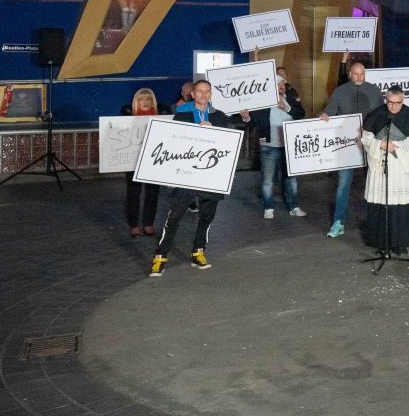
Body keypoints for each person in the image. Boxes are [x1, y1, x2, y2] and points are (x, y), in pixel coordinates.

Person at [149, 80, 240, 277]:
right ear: (193, 93)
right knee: (174, 217)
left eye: (207, 91)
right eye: (199, 91)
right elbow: (174, 143)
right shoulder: (182, 115)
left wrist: (214, 128)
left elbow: (228, 142)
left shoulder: (220, 116)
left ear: (211, 94)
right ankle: (160, 257)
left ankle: (199, 251)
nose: (203, 95)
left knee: (206, 216)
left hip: (211, 176)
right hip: (187, 175)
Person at [319, 60, 383, 238]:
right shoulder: (340, 92)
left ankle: (376, 222)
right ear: (349, 75)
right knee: (343, 184)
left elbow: (381, 114)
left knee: (374, 183)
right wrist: (324, 114)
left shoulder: (374, 91)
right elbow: (330, 110)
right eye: (356, 74)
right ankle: (338, 222)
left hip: (369, 143)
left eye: (362, 74)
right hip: (346, 145)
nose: (359, 77)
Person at [359, 86, 409, 254]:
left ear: (403, 100)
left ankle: (400, 243)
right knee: (382, 205)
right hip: (381, 165)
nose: (393, 107)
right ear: (385, 100)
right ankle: (382, 244)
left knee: (401, 207)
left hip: (401, 167)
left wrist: (395, 147)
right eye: (390, 103)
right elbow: (366, 137)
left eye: (397, 103)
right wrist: (379, 144)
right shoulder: (377, 114)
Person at [248, 76, 306, 219]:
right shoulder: (263, 103)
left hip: (289, 147)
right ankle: (268, 207)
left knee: (291, 179)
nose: (282, 87)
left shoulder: (291, 99)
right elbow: (253, 122)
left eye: (283, 85)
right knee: (268, 180)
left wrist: (286, 107)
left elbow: (301, 114)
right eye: (279, 84)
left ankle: (294, 206)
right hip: (269, 147)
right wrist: (246, 117)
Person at [121, 88, 168, 237]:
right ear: (137, 102)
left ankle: (148, 223)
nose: (146, 102)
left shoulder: (162, 117)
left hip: (153, 160)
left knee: (152, 193)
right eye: (142, 99)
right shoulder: (128, 117)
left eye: (148, 99)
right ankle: (134, 224)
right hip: (133, 160)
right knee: (133, 193)